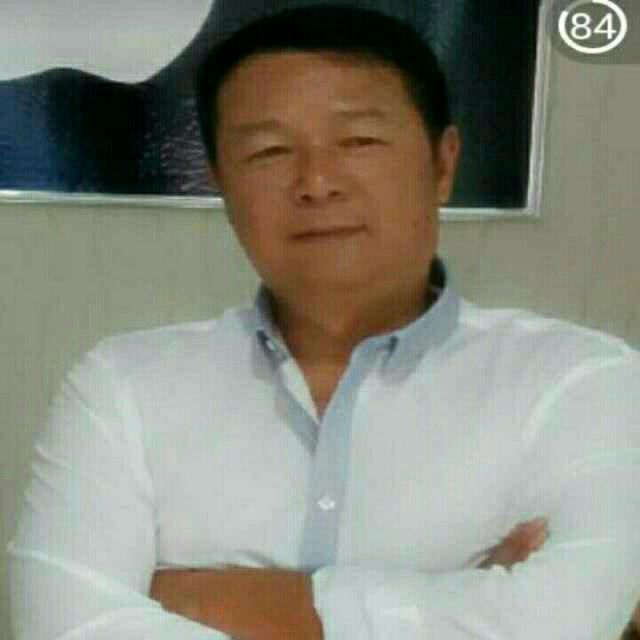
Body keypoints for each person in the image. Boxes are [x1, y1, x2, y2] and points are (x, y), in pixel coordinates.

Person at [8, 1, 640, 638]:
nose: (316, 182)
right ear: (220, 181)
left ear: (443, 164)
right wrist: (458, 604)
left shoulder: (581, 381)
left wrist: (201, 600)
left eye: (358, 141)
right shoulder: (121, 386)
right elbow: (65, 629)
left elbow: (566, 619)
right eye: (269, 150)